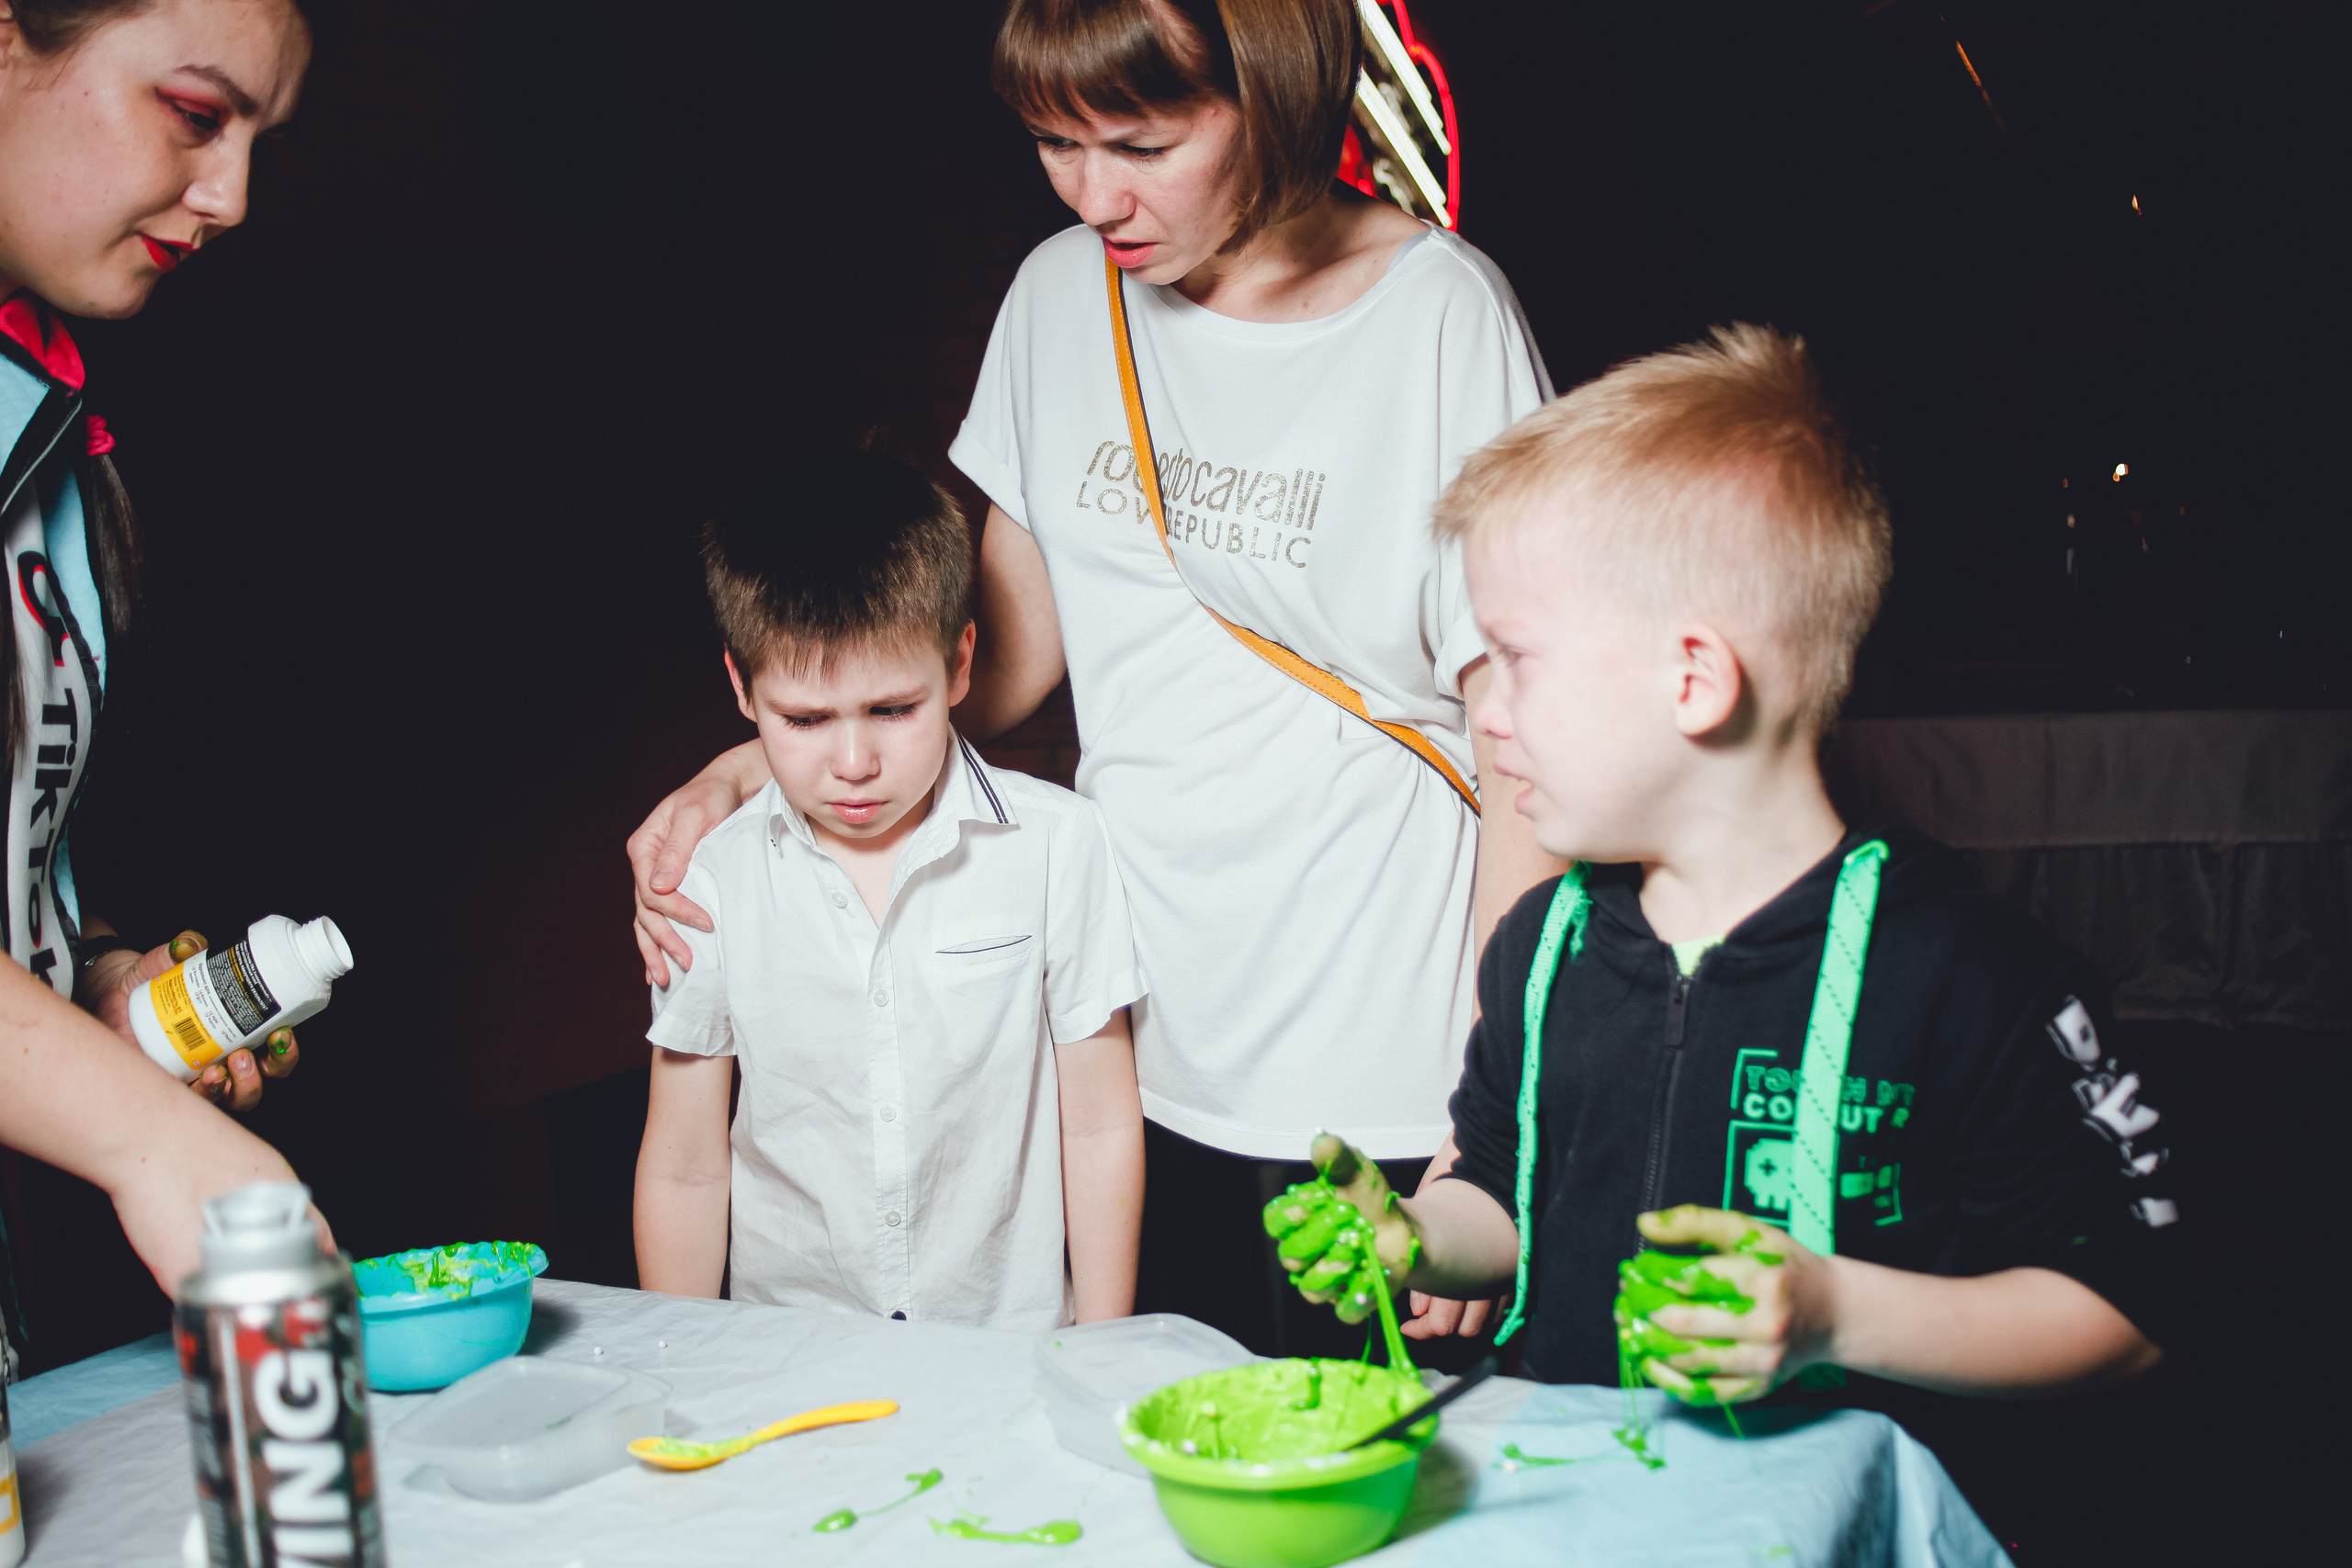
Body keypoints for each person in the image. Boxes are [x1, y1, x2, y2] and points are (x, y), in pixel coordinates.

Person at [628, 0, 1559, 1359]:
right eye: (1056, 142)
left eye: (1141, 140)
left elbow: (1526, 749)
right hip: (1125, 1045)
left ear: (1276, 90)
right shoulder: (1063, 296)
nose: (1093, 194)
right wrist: (740, 773)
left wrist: (1491, 1125)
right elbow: (989, 663)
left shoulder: (1441, 319)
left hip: (1388, 1066)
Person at [1270, 324, 2174, 1411]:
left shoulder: (1966, 977)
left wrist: (1837, 1313)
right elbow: (1504, 1207)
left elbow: (2131, 1310)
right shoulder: (1541, 949)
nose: (1485, 711)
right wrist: (1414, 1237)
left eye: (1512, 657)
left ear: (1694, 677)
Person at [632, 452, 1145, 1329]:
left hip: (1014, 1353)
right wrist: (684, 1367)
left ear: (959, 666)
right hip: (790, 1358)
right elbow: (685, 1164)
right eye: (804, 720)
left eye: (894, 710)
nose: (855, 763)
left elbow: (1097, 1122)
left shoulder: (1059, 843)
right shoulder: (710, 878)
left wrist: (1102, 1347)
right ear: (741, 688)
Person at [0, 0, 322, 1351]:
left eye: (259, 135)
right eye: (196, 113)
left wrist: (95, 989)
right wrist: (149, 1142)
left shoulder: (48, 411)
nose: (232, 194)